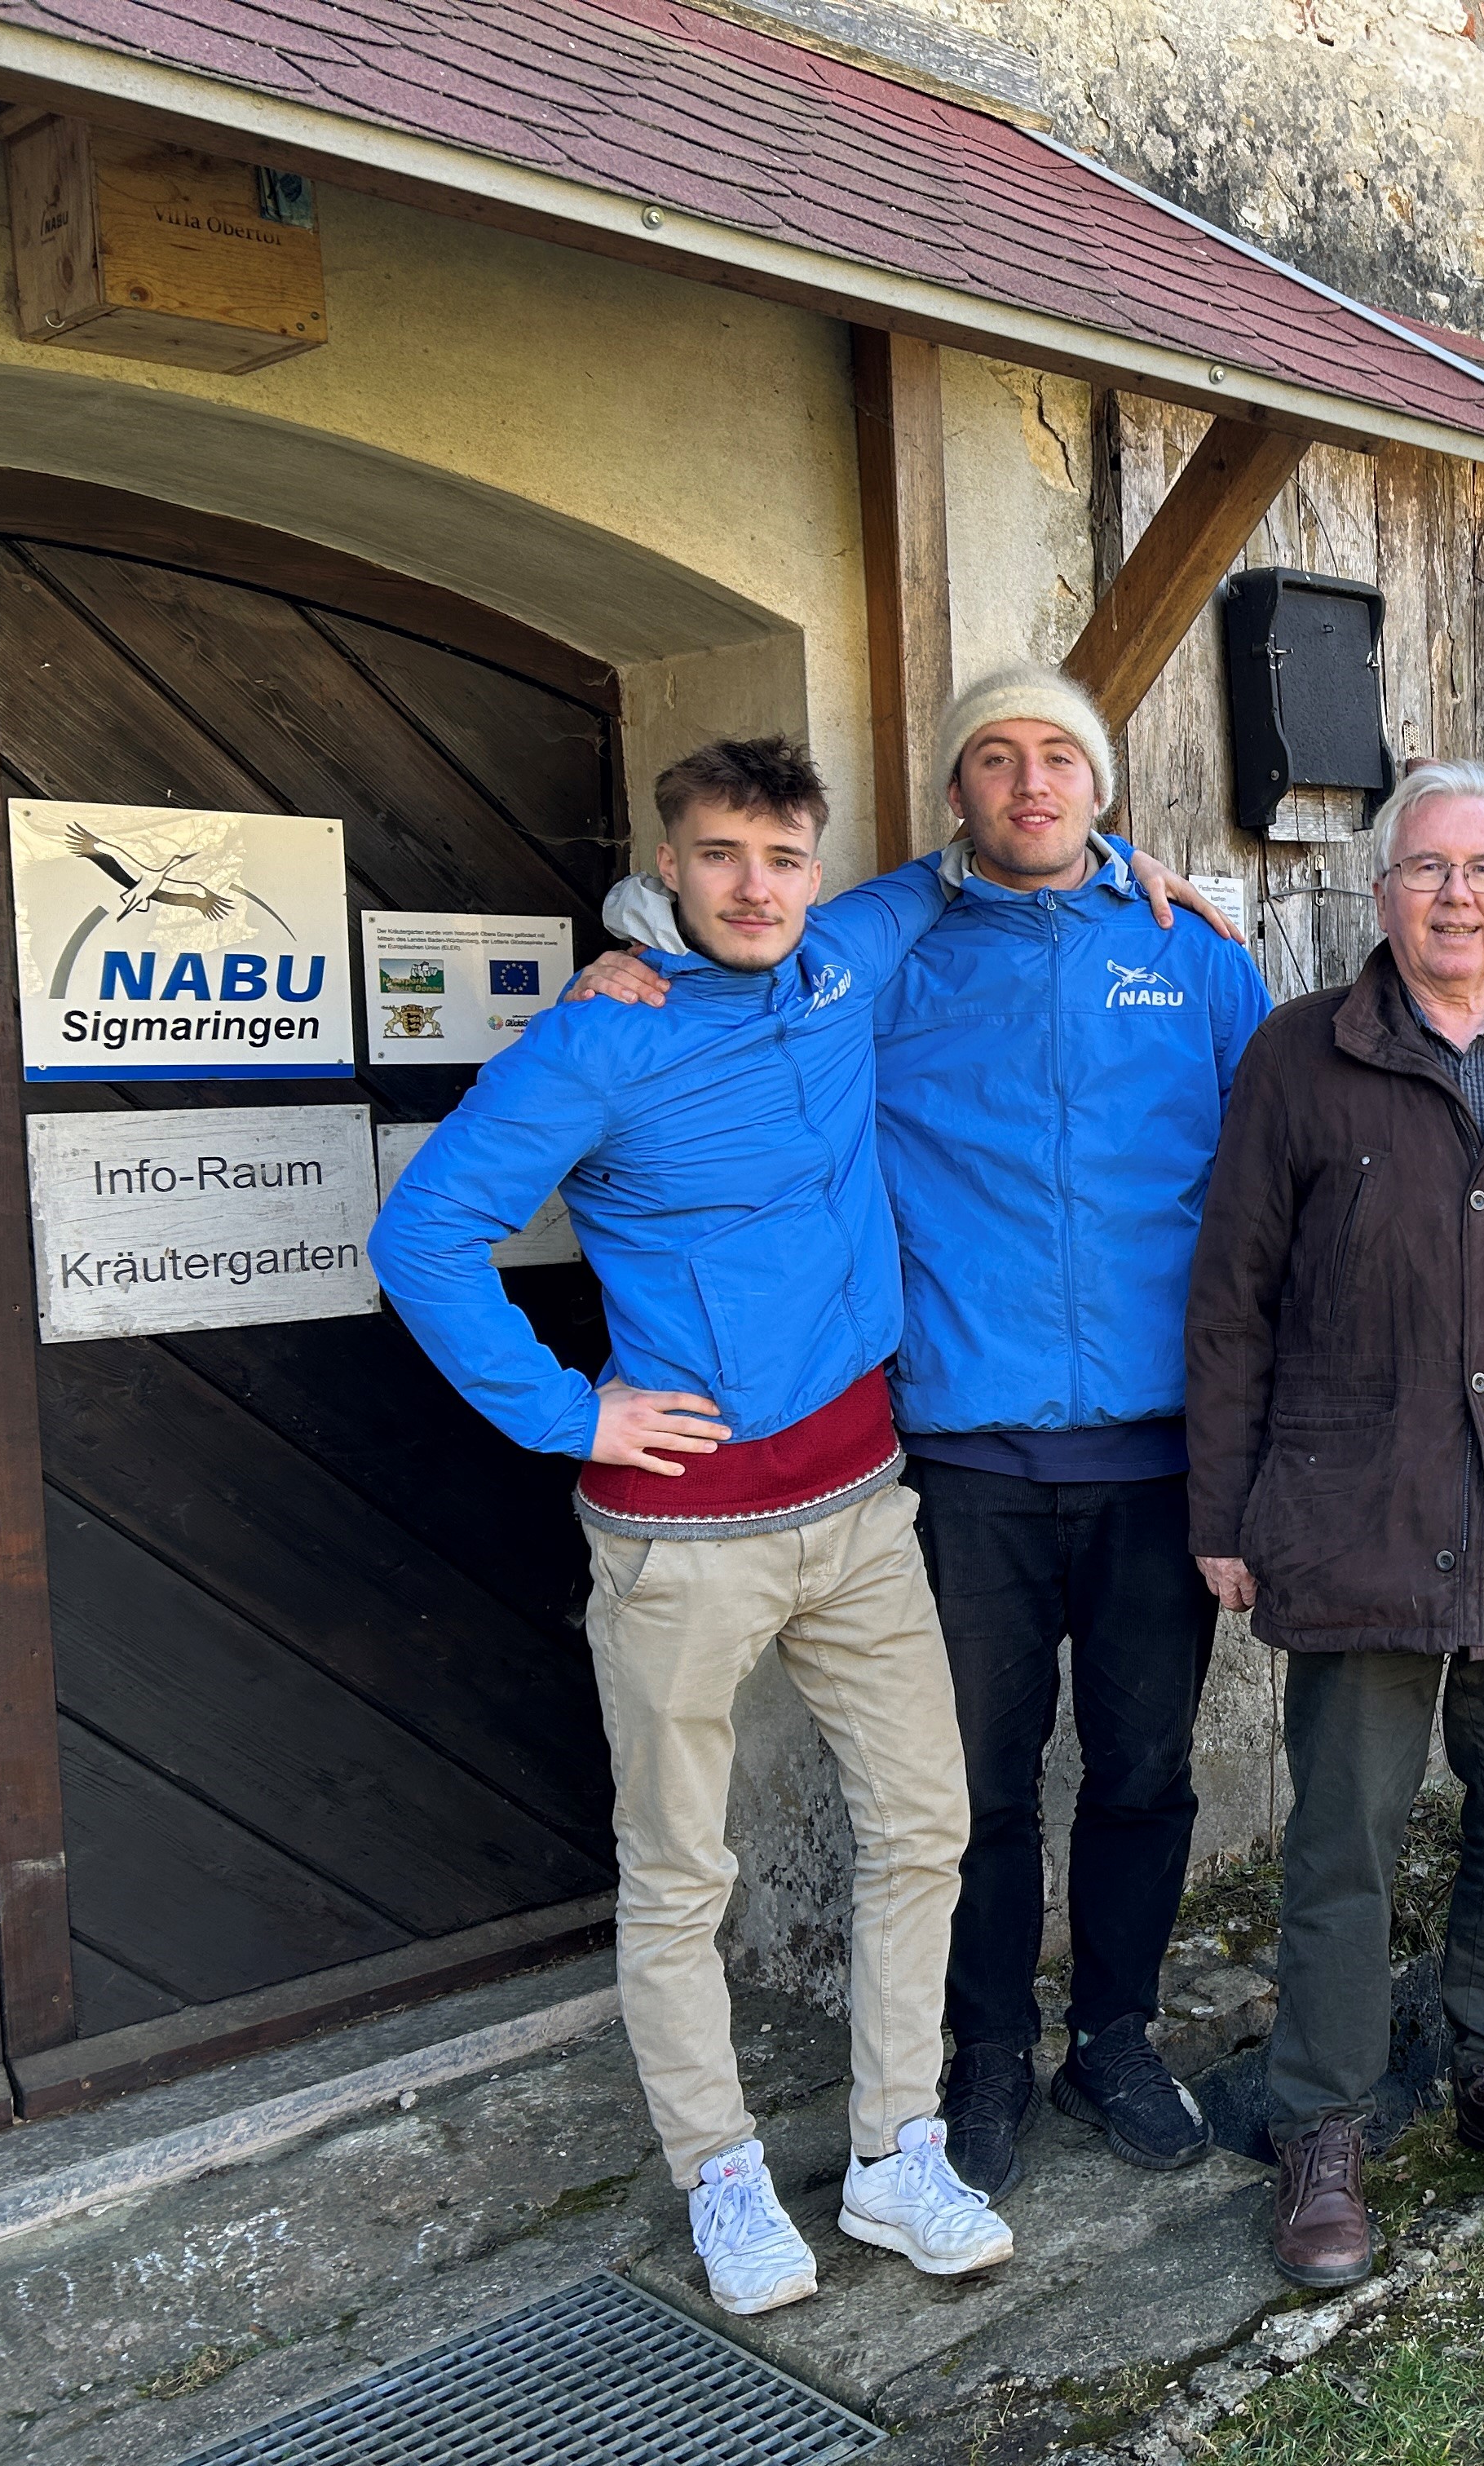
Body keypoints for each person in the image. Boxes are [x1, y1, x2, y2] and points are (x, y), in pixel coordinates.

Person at [568, 665, 1270, 2196]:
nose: (1031, 783)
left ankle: (1117, 2030)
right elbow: (721, 931)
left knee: (1147, 1768)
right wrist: (623, 939)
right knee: (973, 1790)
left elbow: (1267, 1186)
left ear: (1102, 785)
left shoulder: (1195, 952)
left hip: (1162, 1457)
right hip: (962, 1455)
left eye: (1059, 759)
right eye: (995, 759)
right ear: (954, 793)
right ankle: (981, 2053)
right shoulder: (869, 956)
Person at [372, 738, 1011, 2319]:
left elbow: (959, 867)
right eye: (720, 856)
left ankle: (893, 2152)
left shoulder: (842, 956)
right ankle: (721, 2174)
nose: (756, 889)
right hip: (685, 1536)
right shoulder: (600, 1039)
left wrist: (1135, 874)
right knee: (681, 1874)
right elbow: (422, 1232)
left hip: (862, 1506)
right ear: (668, 866)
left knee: (926, 1822)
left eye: (783, 858)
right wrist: (572, 1412)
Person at [1187, 762, 1484, 2290]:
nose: (1454, 893)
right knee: (1344, 1833)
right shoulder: (1298, 1057)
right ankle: (1320, 2122)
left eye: (1483, 868)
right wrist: (1223, 1501)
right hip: (1360, 1507)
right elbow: (1229, 1297)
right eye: (1426, 867)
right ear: (1381, 891)